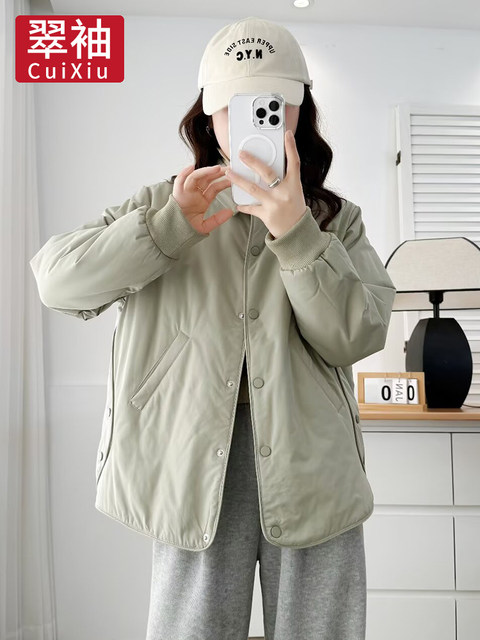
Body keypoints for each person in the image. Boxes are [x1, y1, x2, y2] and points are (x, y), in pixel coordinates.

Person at [29, 15, 397, 640]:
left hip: (314, 467)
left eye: (274, 104)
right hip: (195, 463)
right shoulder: (165, 204)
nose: (259, 120)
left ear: (299, 113)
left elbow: (356, 335)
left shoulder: (335, 220)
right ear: (208, 113)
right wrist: (170, 227)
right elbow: (57, 282)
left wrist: (296, 232)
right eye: (238, 105)